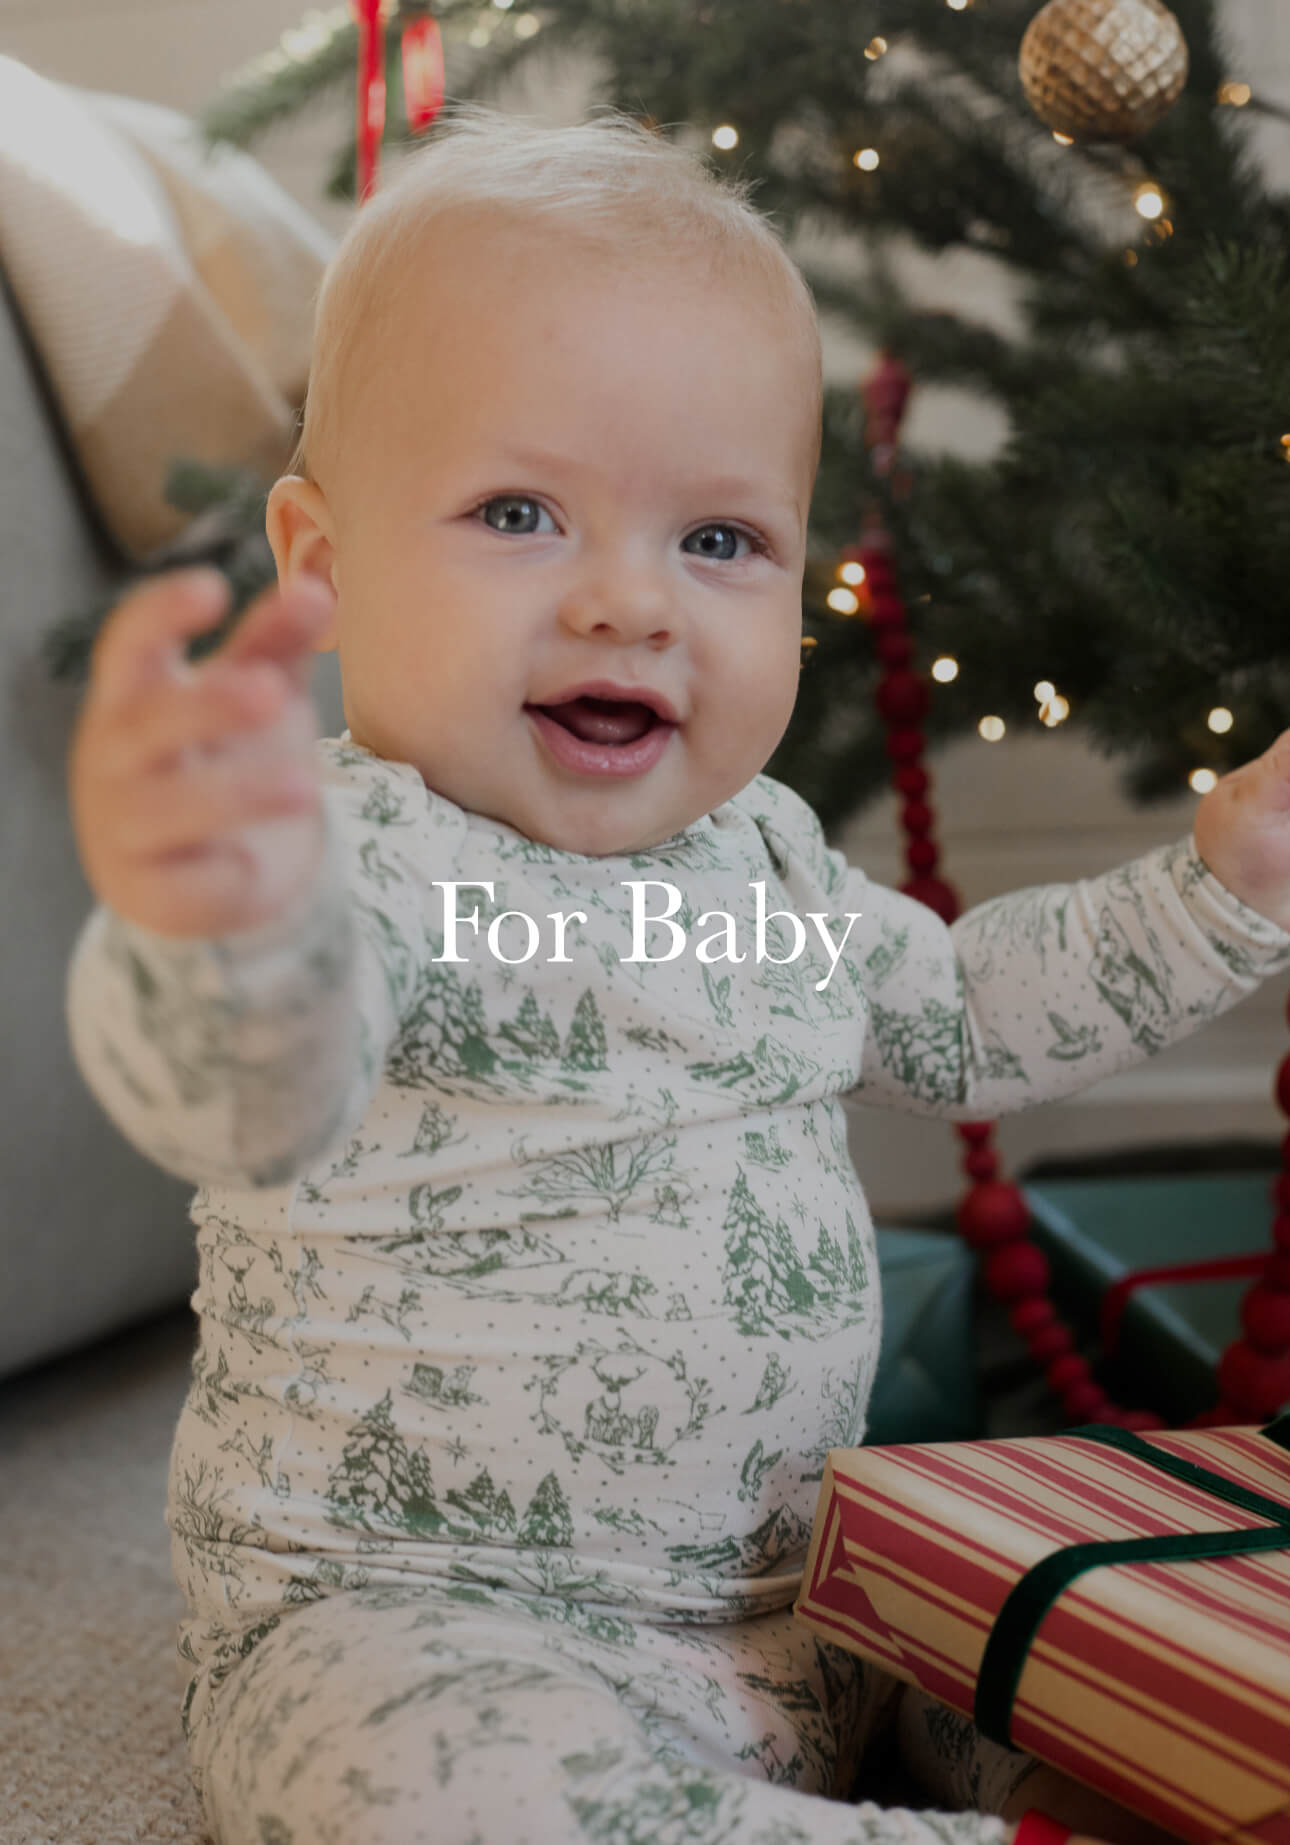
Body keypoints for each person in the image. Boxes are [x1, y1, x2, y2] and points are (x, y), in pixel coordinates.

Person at [64, 103, 1289, 1845]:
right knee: (413, 1791)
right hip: (425, 1613)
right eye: (519, 513)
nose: (632, 604)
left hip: (811, 1601)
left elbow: (957, 1015)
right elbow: (240, 1083)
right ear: (323, 565)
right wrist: (207, 919)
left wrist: (1217, 886)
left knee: (1089, 1667)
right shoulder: (358, 857)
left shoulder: (765, 858)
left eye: (717, 542)